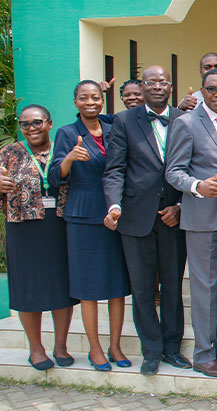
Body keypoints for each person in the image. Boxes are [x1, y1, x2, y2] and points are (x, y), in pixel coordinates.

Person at [103, 65, 190, 376]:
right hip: (135, 218)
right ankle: (150, 351)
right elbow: (114, 170)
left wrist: (181, 205)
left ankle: (172, 347)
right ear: (142, 87)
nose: (157, 86)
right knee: (142, 289)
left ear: (170, 86)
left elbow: (195, 166)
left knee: (172, 286)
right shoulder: (124, 120)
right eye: (151, 82)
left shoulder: (184, 119)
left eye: (163, 82)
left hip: (174, 219)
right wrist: (114, 205)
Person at [165, 69, 217, 377]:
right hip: (201, 216)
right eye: (212, 89)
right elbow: (174, 172)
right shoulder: (185, 123)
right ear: (202, 90)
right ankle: (203, 354)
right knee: (203, 286)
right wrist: (198, 186)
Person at [49, 81, 131, 372]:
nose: (90, 102)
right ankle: (95, 348)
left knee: (117, 285)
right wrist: (69, 158)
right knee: (89, 287)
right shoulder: (67, 133)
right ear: (75, 103)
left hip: (116, 215)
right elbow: (54, 178)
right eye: (83, 98)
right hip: (84, 216)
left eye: (95, 97)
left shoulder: (112, 127)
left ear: (103, 99)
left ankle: (116, 345)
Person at [0, 105, 77, 371]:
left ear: (49, 123)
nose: (31, 128)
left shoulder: (63, 149)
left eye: (36, 123)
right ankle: (36, 348)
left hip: (59, 226)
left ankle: (61, 345)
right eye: (25, 124)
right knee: (27, 287)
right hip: (23, 229)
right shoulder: (8, 153)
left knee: (61, 286)